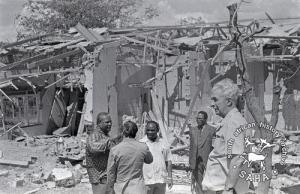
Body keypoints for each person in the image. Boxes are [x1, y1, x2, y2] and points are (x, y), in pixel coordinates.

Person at [202, 78, 250, 194]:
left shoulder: (233, 122)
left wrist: (228, 189)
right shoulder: (229, 120)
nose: (212, 104)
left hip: (223, 189)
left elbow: (237, 159)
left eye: (215, 100)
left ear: (228, 102)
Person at [107, 121, 153, 194]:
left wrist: (110, 188)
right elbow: (150, 160)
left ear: (122, 132)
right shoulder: (143, 147)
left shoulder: (115, 150)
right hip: (138, 188)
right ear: (136, 132)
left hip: (121, 188)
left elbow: (111, 172)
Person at [86, 112, 121, 194]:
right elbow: (93, 148)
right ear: (99, 123)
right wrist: (110, 141)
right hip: (99, 178)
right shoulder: (94, 135)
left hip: (107, 177)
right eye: (107, 122)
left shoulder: (105, 135)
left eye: (110, 122)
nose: (110, 124)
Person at [140, 121, 173, 194]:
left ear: (157, 130)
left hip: (160, 180)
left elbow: (168, 161)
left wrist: (170, 177)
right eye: (148, 130)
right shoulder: (141, 143)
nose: (150, 132)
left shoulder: (164, 143)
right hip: (146, 180)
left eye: (152, 130)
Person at [189, 111, 216, 194]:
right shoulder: (193, 130)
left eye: (200, 118)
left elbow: (215, 147)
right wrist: (190, 162)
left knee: (210, 183)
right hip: (196, 160)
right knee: (198, 182)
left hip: (208, 160)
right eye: (197, 118)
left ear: (205, 119)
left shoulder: (212, 130)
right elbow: (191, 147)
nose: (198, 120)